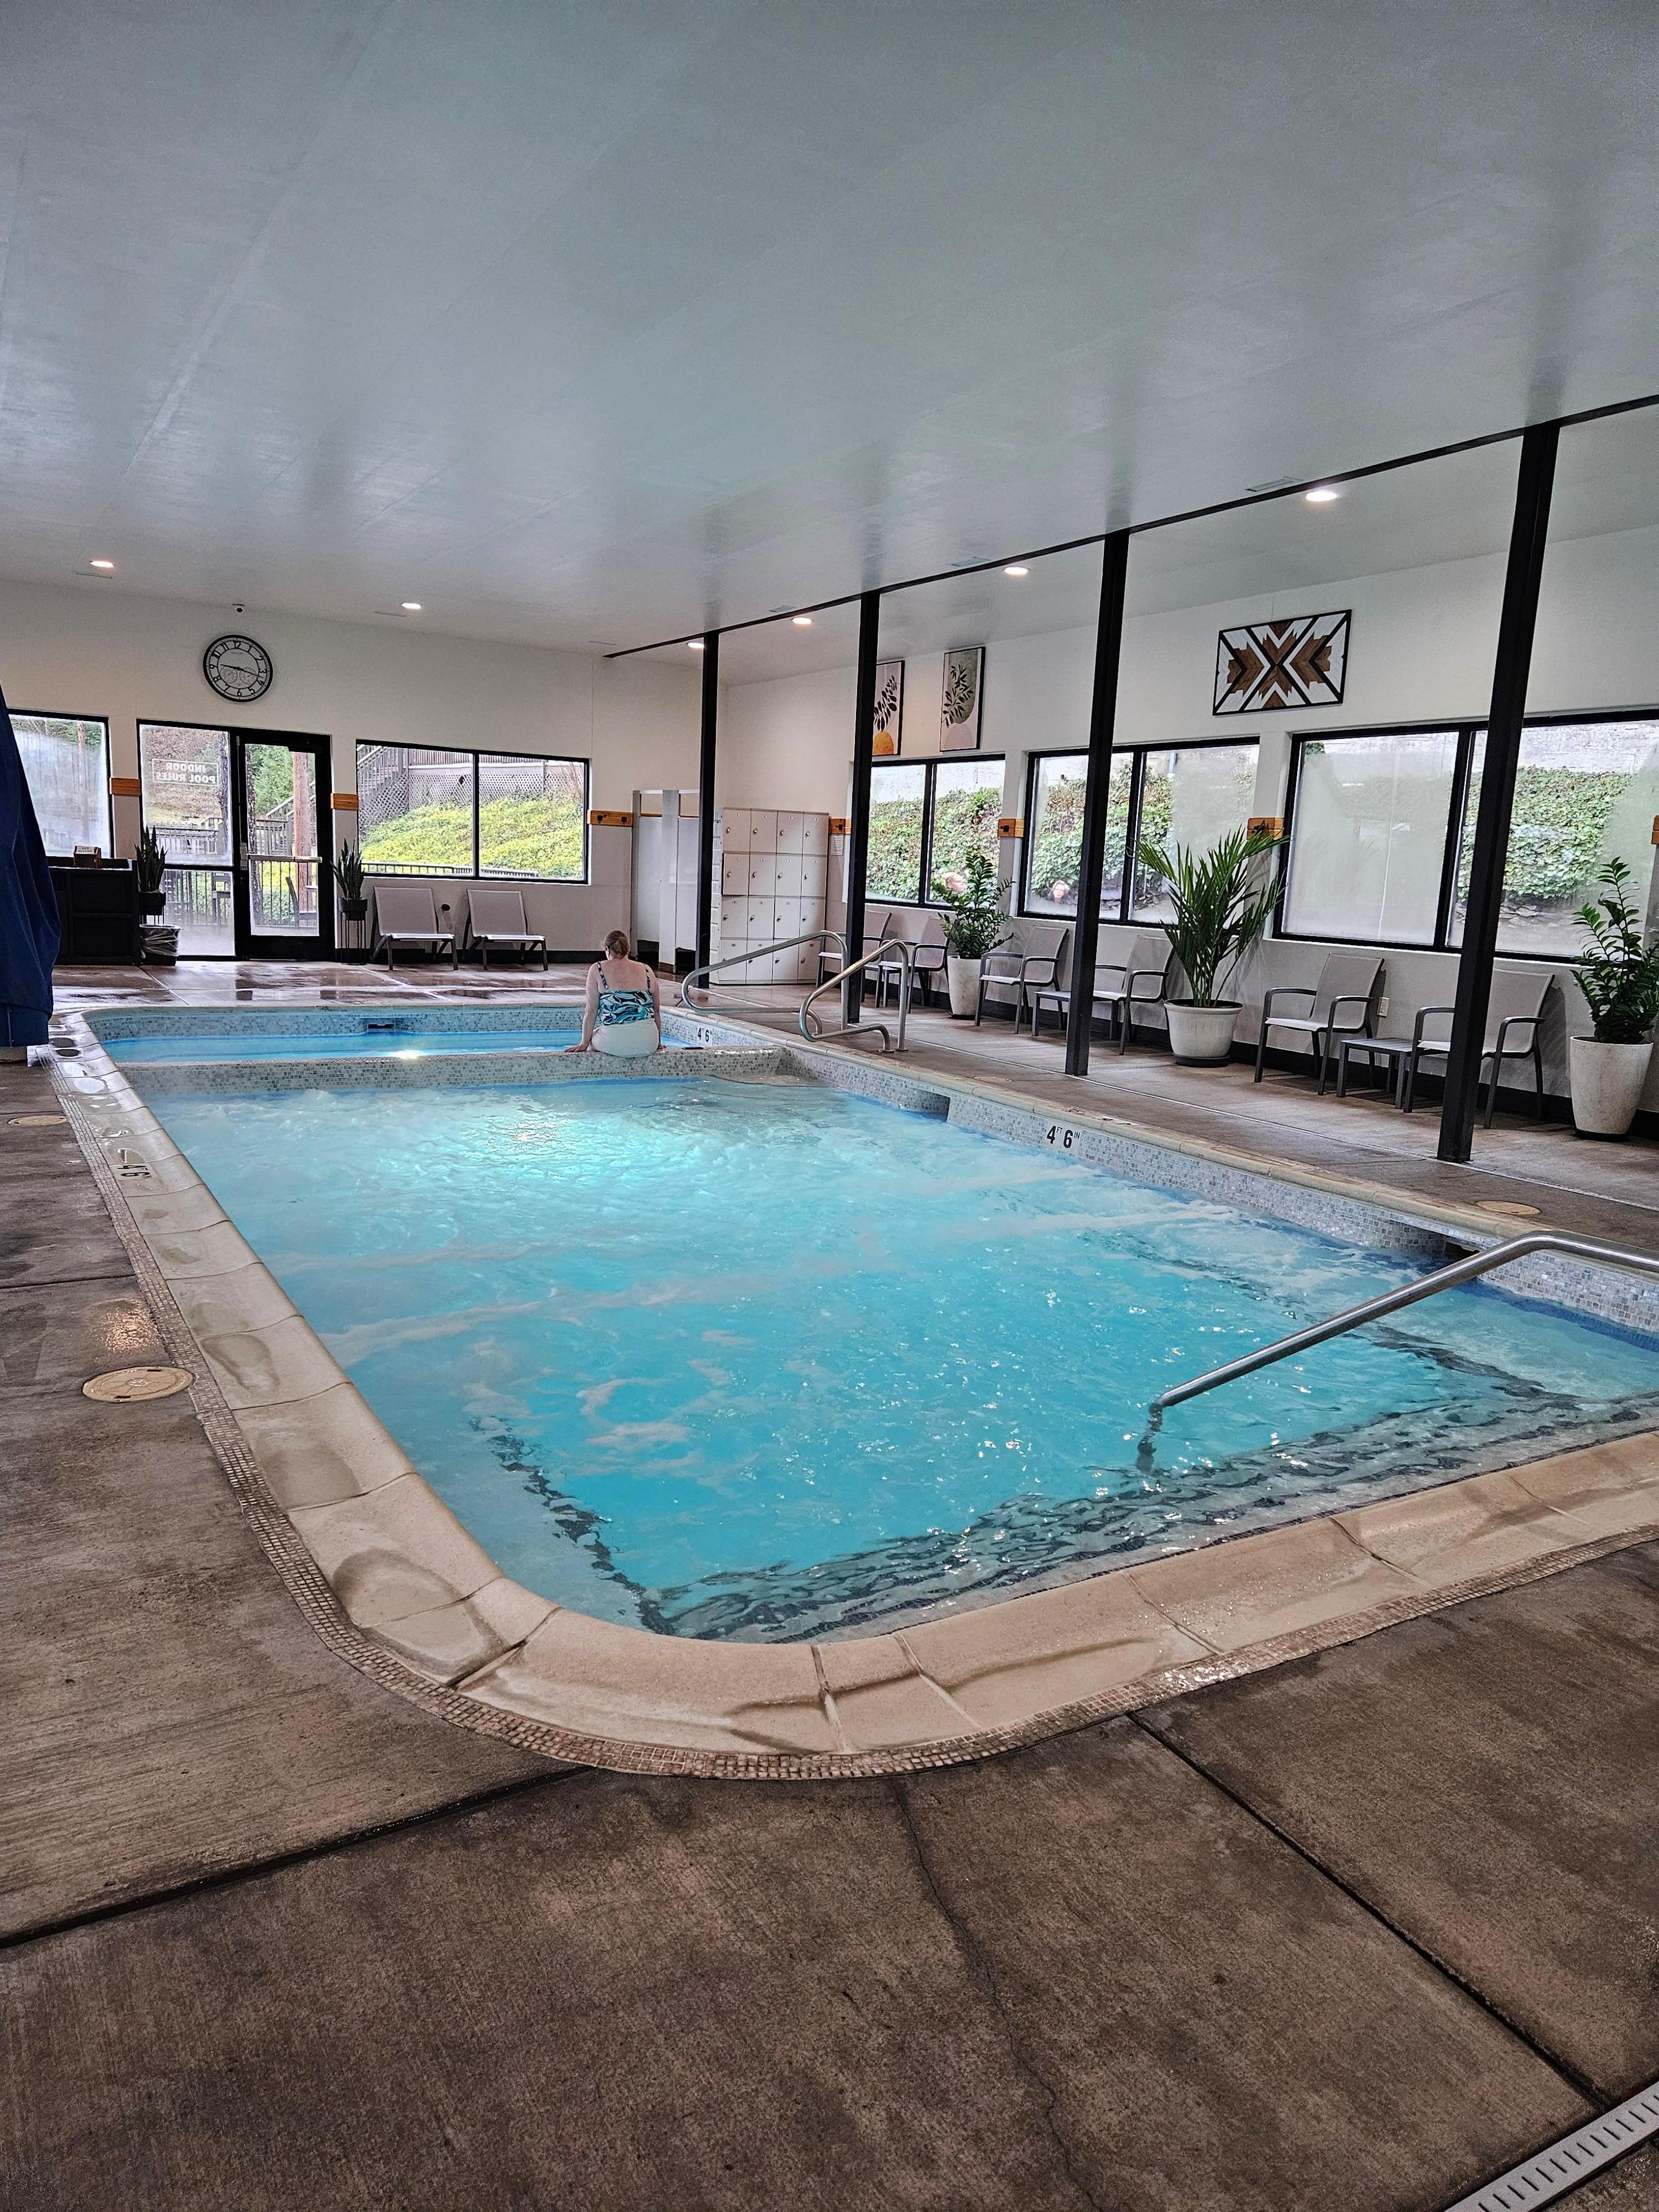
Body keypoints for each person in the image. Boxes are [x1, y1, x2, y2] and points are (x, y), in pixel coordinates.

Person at [573, 928, 662, 1056]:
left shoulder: (598, 969)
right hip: (649, 1042)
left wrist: (584, 1044)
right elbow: (656, 1011)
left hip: (614, 1041)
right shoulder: (647, 970)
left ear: (607, 949)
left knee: (592, 1040)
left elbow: (591, 1010)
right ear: (628, 949)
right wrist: (658, 1043)